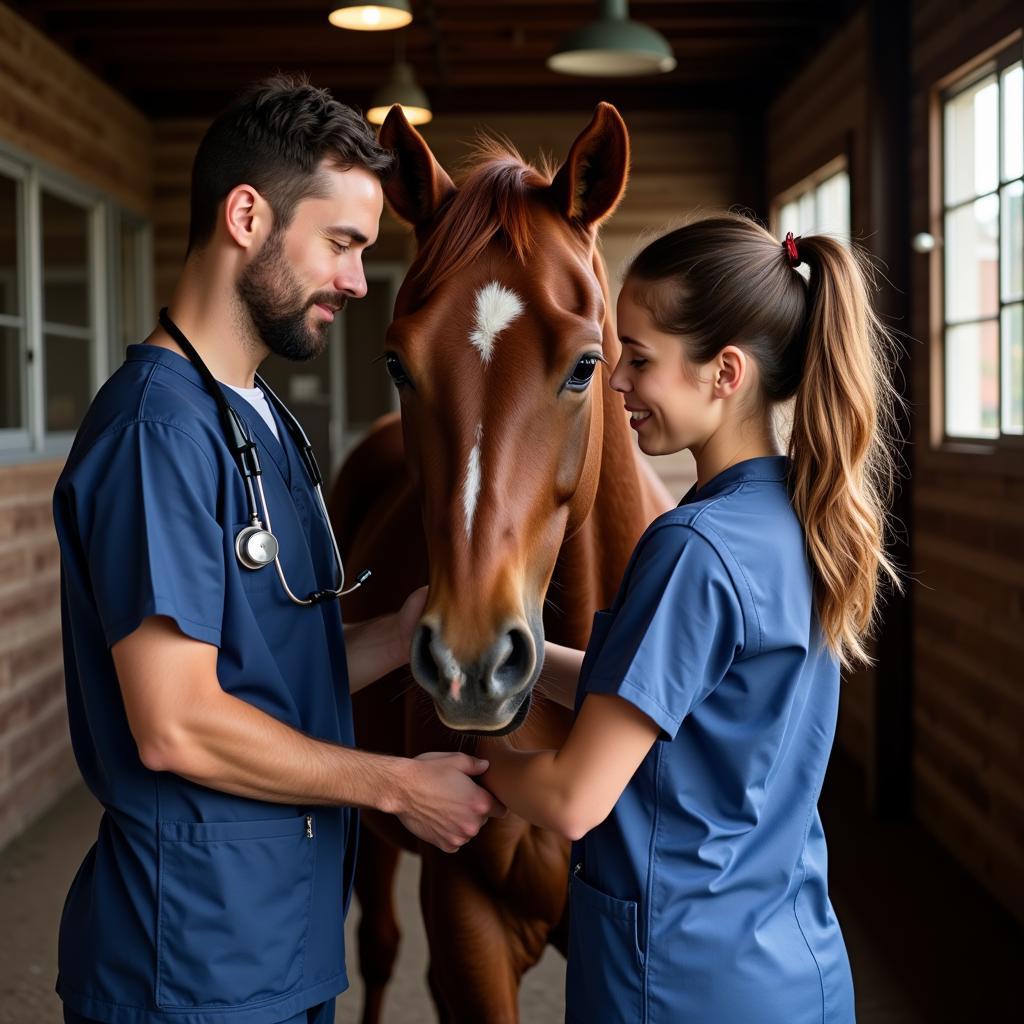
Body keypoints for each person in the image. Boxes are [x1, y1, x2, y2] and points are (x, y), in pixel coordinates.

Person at [52, 76, 503, 1024]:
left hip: (284, 938)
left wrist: (398, 632)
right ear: (247, 216)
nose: (354, 279)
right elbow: (176, 721)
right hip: (189, 963)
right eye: (341, 244)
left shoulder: (261, 421)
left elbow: (268, 670)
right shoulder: (159, 434)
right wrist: (395, 787)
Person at [480, 214, 901, 1024]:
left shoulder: (692, 546)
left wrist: (471, 766)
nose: (617, 382)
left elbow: (573, 798)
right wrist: (525, 661)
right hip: (794, 966)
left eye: (639, 359)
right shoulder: (800, 514)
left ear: (724, 373)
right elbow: (666, 695)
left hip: (678, 982)